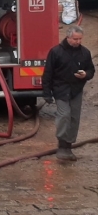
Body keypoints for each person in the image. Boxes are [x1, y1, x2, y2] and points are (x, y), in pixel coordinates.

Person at [42, 25, 95, 161]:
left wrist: (85, 75)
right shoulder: (56, 52)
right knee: (64, 115)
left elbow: (91, 70)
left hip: (76, 90)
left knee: (74, 118)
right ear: (68, 37)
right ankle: (62, 144)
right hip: (60, 89)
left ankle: (68, 146)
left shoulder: (85, 53)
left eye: (80, 39)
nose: (78, 42)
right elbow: (48, 73)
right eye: (75, 39)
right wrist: (47, 93)